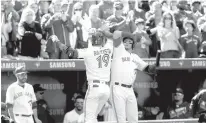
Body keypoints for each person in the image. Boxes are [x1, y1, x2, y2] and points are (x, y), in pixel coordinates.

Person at [110, 30, 156, 123]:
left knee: (134, 119)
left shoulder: (135, 57)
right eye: (125, 41)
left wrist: (155, 65)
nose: (126, 43)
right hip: (117, 88)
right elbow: (116, 34)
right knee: (121, 119)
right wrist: (131, 35)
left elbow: (148, 69)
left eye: (129, 42)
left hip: (130, 89)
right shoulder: (118, 51)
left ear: (133, 46)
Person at [68, 29, 113, 123]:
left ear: (91, 40)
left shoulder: (88, 51)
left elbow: (72, 54)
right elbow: (109, 37)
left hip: (95, 87)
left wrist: (64, 47)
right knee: (93, 117)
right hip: (106, 89)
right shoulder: (108, 48)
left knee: (88, 118)